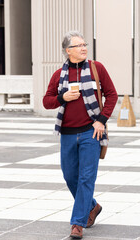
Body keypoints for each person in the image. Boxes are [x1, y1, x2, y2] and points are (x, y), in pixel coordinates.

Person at [43, 30, 118, 239]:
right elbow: (46, 101)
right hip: (67, 133)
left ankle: (77, 224)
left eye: (85, 44)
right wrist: (62, 97)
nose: (84, 48)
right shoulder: (59, 75)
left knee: (86, 178)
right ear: (68, 51)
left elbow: (112, 95)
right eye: (79, 46)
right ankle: (92, 207)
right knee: (70, 177)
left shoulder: (97, 68)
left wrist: (101, 121)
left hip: (90, 132)